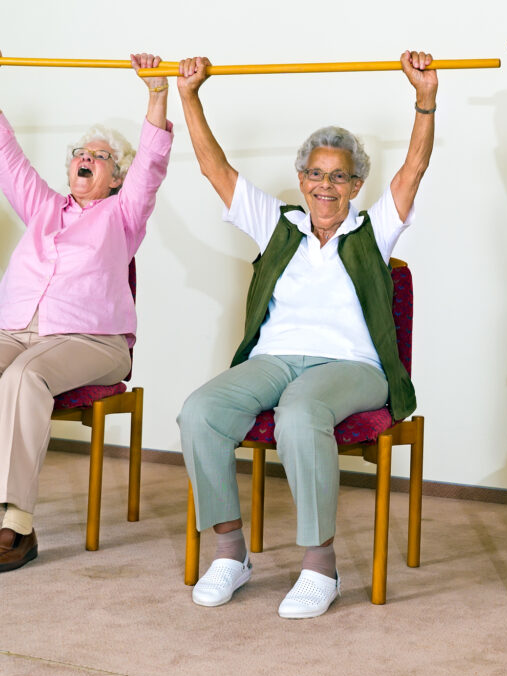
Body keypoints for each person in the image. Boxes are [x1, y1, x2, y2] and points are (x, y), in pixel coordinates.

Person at [175, 50, 436, 618]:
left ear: (356, 183)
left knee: (300, 412)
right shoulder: (279, 225)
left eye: (338, 176)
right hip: (275, 358)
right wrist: (190, 97)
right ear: (301, 179)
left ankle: (321, 566)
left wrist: (424, 100)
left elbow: (413, 168)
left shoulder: (375, 229)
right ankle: (229, 552)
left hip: (352, 367)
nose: (325, 186)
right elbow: (212, 167)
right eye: (315, 174)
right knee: (199, 411)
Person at [0, 49, 173, 572]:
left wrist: (156, 92)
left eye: (101, 155)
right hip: (15, 331)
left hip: (94, 341)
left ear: (117, 177)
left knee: (21, 380)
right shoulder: (43, 207)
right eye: (78, 152)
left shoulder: (124, 212)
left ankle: (18, 526)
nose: (85, 157)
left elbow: (152, 165)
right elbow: (4, 155)